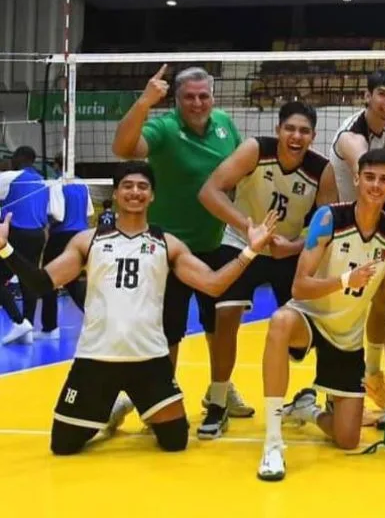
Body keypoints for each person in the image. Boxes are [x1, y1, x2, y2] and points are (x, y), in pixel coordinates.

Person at [0, 161, 276, 456]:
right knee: (64, 446)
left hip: (150, 360)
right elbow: (43, 283)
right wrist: (6, 248)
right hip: (96, 358)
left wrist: (250, 251)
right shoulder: (87, 241)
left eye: (143, 187)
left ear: (152, 196)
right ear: (116, 194)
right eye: (128, 186)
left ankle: (132, 403)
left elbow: (213, 284)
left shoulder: (167, 244)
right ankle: (106, 412)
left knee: (175, 442)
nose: (135, 192)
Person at [257, 149, 385, 481]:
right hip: (310, 318)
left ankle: (308, 410)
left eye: (384, 179)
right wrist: (344, 281)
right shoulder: (328, 218)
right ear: (357, 179)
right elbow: (299, 287)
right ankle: (272, 443)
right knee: (280, 321)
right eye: (369, 177)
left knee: (347, 439)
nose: (376, 185)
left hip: (347, 336)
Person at [111, 65, 248, 416]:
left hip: (215, 242)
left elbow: (240, 173)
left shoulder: (224, 125)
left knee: (219, 325)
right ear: (176, 100)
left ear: (213, 97)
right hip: (167, 248)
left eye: (204, 96)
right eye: (189, 97)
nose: (198, 103)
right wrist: (144, 102)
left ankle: (219, 391)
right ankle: (160, 395)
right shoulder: (164, 128)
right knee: (168, 331)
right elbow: (124, 148)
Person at [196, 101, 337, 439]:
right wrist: (249, 230)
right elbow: (209, 192)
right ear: (278, 131)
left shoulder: (322, 170)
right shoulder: (255, 150)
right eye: (290, 128)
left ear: (313, 137)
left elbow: (327, 224)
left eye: (304, 131)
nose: (296, 136)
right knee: (225, 316)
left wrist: (293, 246)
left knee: (311, 329)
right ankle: (218, 400)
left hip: (287, 250)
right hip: (241, 241)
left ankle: (328, 396)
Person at [329, 68, 385, 415]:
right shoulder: (352, 135)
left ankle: (373, 372)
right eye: (382, 94)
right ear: (367, 96)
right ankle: (332, 389)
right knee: (344, 311)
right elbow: (366, 165)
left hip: (380, 228)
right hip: (344, 229)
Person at [0, 146, 59, 345]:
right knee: (28, 280)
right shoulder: (44, 181)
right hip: (37, 235)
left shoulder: (10, 177)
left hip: (17, 234)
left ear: (18, 159)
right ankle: (27, 328)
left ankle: (18, 321)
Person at [40, 177, 94, 340]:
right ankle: (100, 320)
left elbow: (58, 214)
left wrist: (46, 220)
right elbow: (90, 212)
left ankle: (50, 328)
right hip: (82, 234)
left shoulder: (58, 184)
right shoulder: (83, 185)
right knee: (73, 281)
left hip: (62, 235)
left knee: (47, 279)